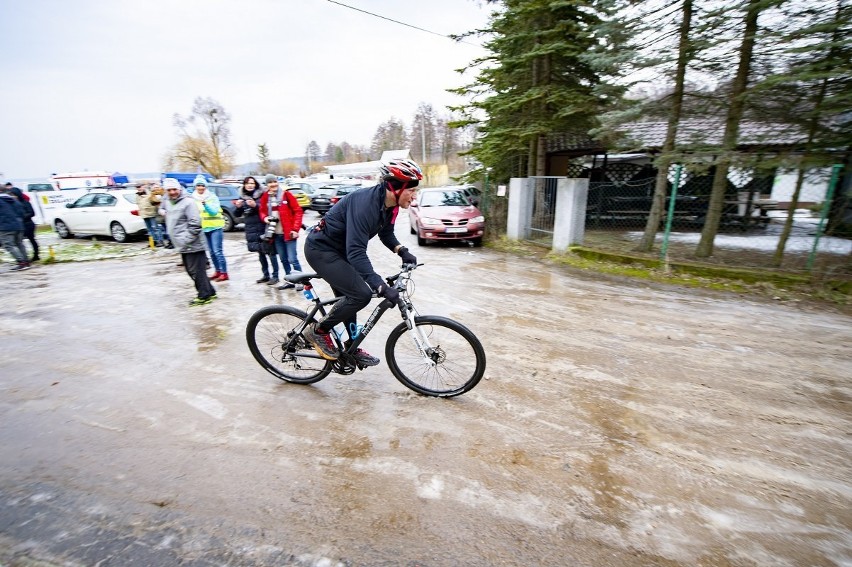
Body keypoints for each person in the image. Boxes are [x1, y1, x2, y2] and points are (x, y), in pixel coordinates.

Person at [302, 158, 421, 366]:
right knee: (361, 294)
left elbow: (386, 233)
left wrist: (402, 251)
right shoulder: (365, 205)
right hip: (321, 250)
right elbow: (356, 252)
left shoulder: (390, 206)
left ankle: (350, 348)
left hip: (342, 252)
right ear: (396, 188)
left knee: (350, 300)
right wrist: (380, 285)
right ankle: (318, 330)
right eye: (411, 190)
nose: (414, 196)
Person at [162, 178, 217, 306]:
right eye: (169, 190)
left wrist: (185, 240)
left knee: (197, 272)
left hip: (192, 244)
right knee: (192, 271)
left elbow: (195, 224)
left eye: (174, 189)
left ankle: (204, 295)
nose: (172, 192)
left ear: (179, 189)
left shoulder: (188, 202)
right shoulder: (170, 202)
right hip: (182, 244)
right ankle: (210, 292)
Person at [258, 174, 304, 290]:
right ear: (267, 184)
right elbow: (262, 212)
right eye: (270, 182)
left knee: (293, 259)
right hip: (276, 234)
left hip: (289, 233)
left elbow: (298, 211)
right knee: (283, 259)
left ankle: (301, 281)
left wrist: (295, 229)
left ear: (277, 182)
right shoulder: (265, 197)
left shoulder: (286, 195)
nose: (273, 184)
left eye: (274, 181)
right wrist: (265, 218)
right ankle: (290, 281)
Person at [235, 176, 281, 285]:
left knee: (270, 252)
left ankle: (275, 276)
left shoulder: (263, 194)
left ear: (256, 184)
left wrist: (255, 205)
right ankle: (266, 275)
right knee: (260, 253)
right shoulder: (243, 197)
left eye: (252, 183)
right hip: (251, 228)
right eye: (247, 183)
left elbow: (265, 209)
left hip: (263, 226)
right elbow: (237, 215)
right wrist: (238, 207)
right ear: (244, 185)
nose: (250, 185)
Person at [190, 175, 228, 281]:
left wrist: (205, 204)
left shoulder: (212, 197)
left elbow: (214, 211)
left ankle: (224, 273)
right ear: (195, 187)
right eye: (198, 185)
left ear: (205, 186)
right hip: (204, 228)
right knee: (211, 252)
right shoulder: (193, 198)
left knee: (217, 251)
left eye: (202, 185)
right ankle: (218, 271)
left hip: (216, 227)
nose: (200, 187)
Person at [0, 184, 30, 270]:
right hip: (19, 225)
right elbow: (21, 212)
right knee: (19, 244)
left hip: (5, 226)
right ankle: (26, 261)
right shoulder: (13, 200)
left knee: (8, 245)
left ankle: (21, 262)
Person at [8, 185, 39, 261]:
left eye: (13, 195)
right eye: (11, 195)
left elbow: (32, 213)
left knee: (31, 240)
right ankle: (24, 257)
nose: (12, 197)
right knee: (19, 242)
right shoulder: (12, 204)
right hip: (19, 225)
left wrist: (21, 217)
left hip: (28, 224)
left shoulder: (25, 202)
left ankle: (36, 255)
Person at [135, 182, 164, 247]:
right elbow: (138, 204)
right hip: (144, 214)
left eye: (140, 186)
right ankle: (153, 242)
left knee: (156, 228)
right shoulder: (137, 195)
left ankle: (160, 241)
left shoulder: (150, 193)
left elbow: (155, 202)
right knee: (149, 229)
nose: (138, 188)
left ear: (143, 186)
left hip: (152, 213)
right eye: (137, 187)